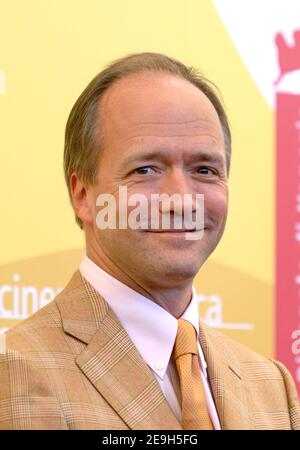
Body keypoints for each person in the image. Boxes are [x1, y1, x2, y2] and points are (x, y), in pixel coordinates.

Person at [0, 52, 299, 430]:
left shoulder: (272, 386)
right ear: (82, 194)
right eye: (146, 169)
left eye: (205, 169)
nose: (181, 198)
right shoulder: (14, 373)